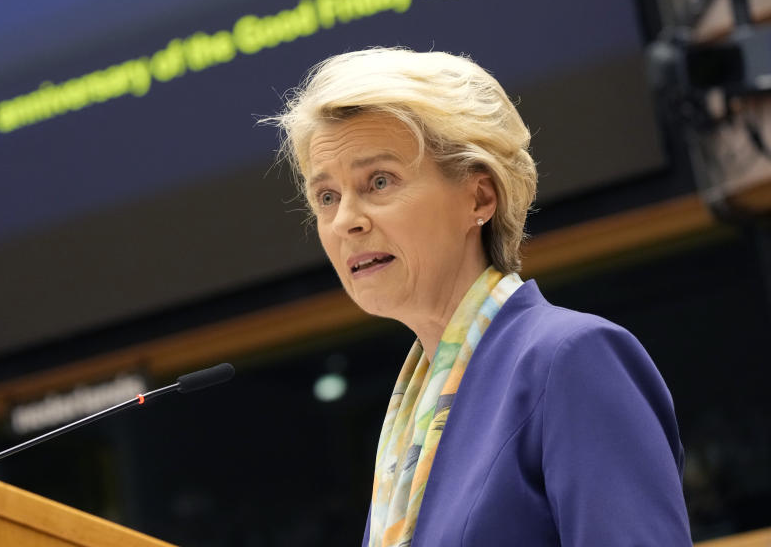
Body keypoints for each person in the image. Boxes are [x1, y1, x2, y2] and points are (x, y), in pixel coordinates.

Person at [269, 48, 693, 546]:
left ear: (480, 198)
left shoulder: (568, 358)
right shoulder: (412, 416)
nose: (346, 221)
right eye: (327, 197)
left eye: (379, 182)